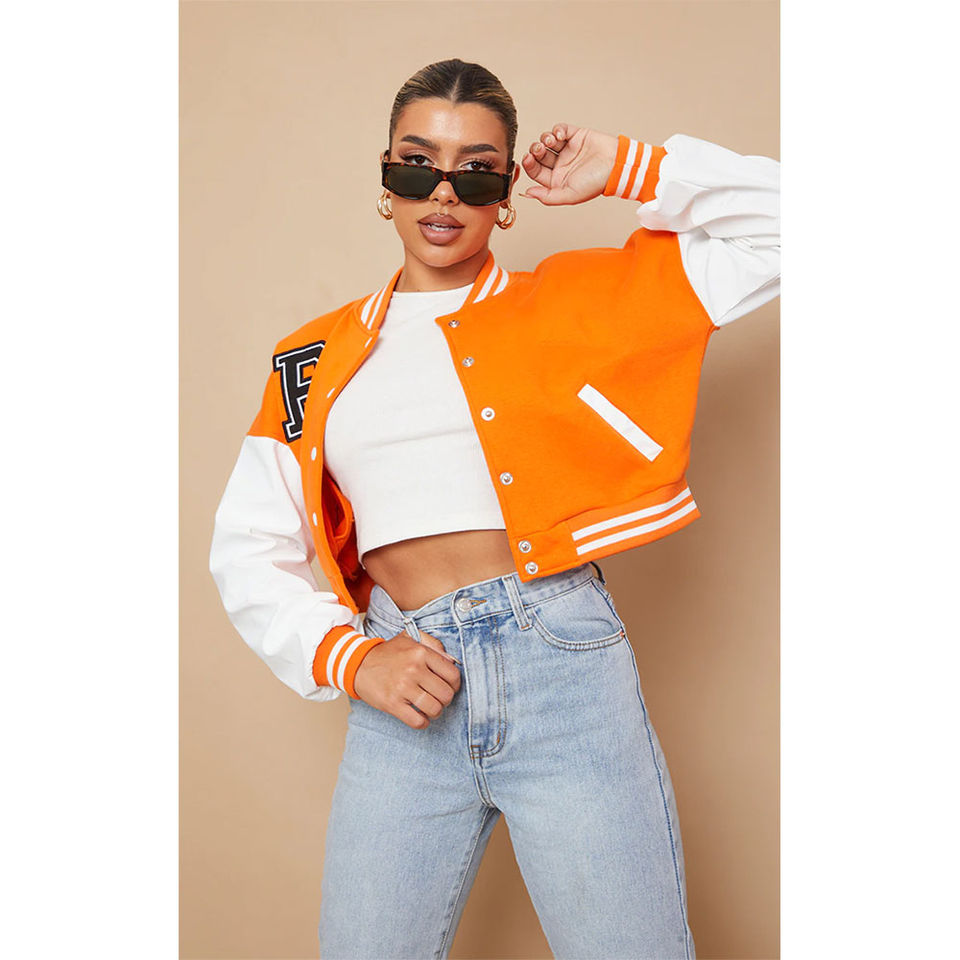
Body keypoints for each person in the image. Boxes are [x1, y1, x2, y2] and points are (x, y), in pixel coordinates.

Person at [209, 57, 778, 960]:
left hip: (562, 668)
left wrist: (629, 167)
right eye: (416, 165)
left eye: (476, 171)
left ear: (507, 194)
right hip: (405, 685)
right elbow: (248, 543)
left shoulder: (580, 302)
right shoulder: (309, 358)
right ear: (385, 181)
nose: (444, 191)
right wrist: (351, 658)